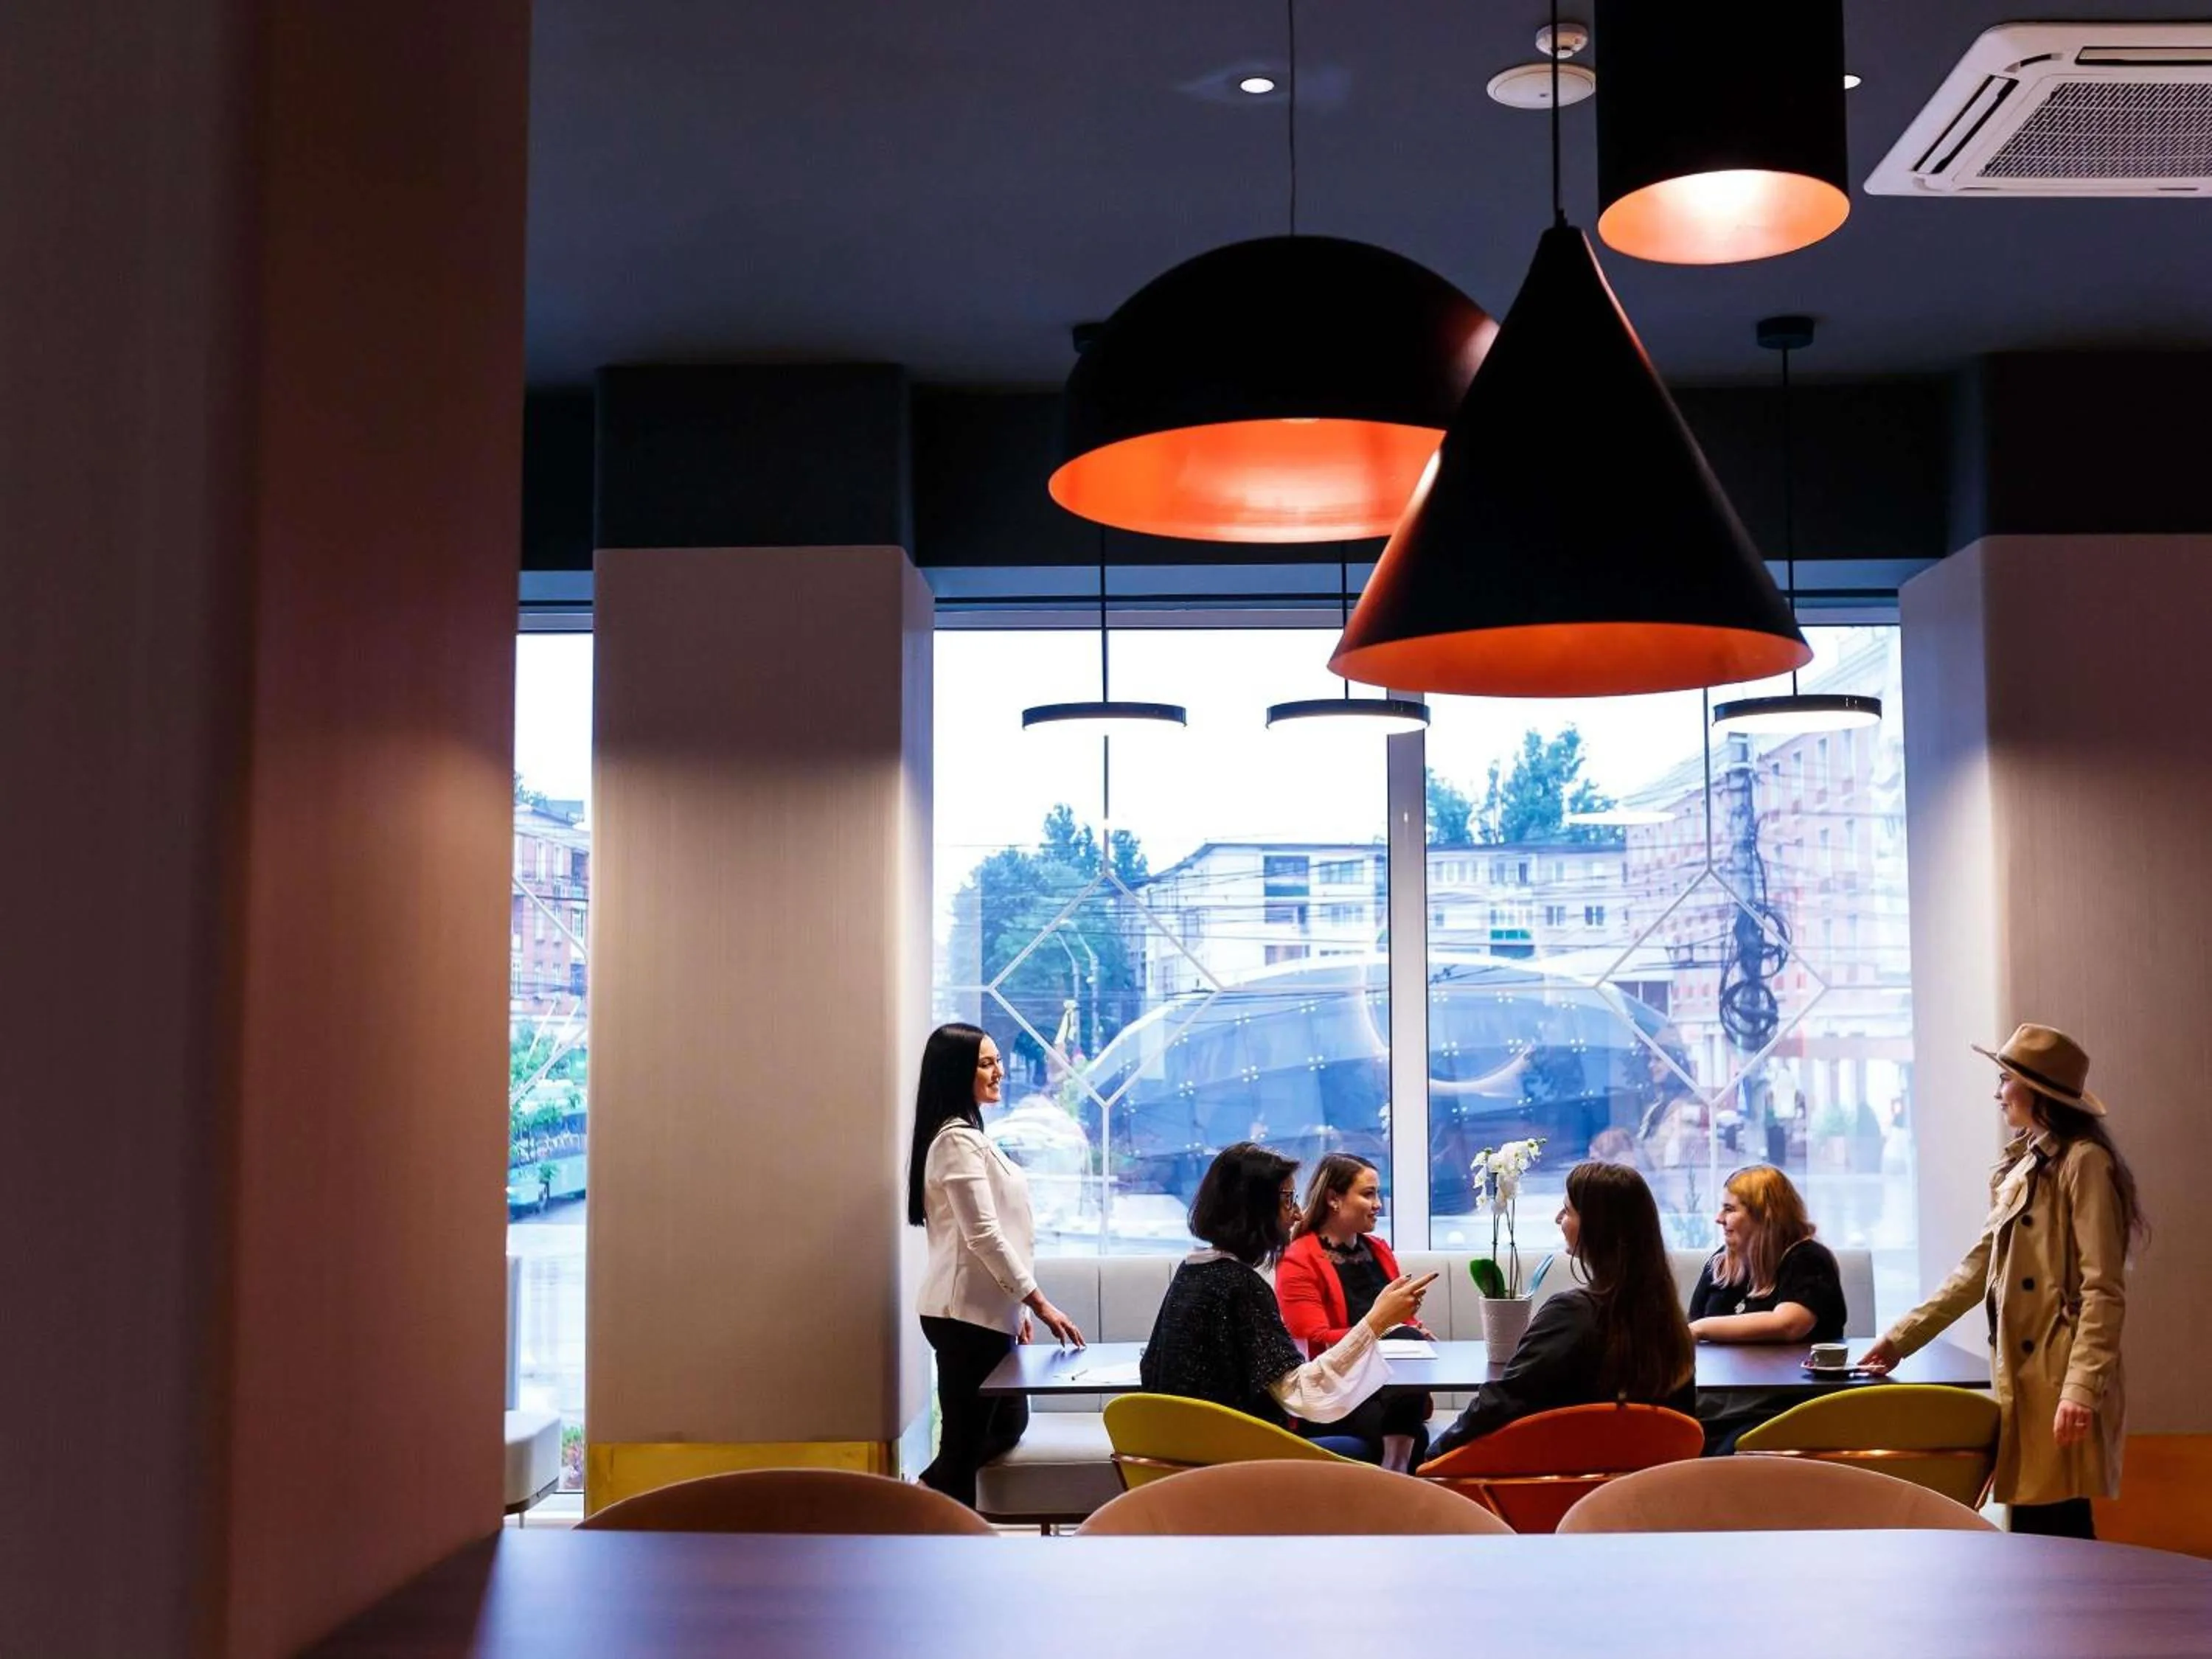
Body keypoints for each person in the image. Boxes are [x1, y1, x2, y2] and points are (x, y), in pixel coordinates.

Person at [1860, 1024, 2142, 1540]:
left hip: (2058, 1378)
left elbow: (2103, 1290)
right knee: (2041, 1528)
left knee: (2055, 1529)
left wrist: (2080, 1388)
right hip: (2026, 1375)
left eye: (2005, 1079)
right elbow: (1977, 1269)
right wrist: (1901, 1338)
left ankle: (2075, 1622)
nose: (1998, 1093)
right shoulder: (2025, 1165)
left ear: (2038, 1092)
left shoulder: (2085, 1165)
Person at [1141, 1142, 1432, 1453]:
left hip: (1187, 1460)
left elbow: (1150, 1370)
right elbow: (1302, 1393)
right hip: (1239, 1464)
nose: (1297, 1213)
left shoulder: (1191, 1273)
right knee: (1382, 1447)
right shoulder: (1241, 1285)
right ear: (1256, 1206)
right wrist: (1376, 1323)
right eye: (1288, 1199)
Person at [908, 1022, 1086, 1508]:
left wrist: (1018, 1309)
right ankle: (937, 1524)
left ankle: (922, 1495)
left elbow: (1002, 1234)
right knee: (965, 1447)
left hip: (985, 1315)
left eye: (996, 1060)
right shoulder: (954, 1142)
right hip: (962, 1315)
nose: (1000, 1071)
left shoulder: (971, 1138)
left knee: (1007, 1426)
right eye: (985, 1063)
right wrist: (1040, 1303)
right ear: (956, 1072)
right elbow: (984, 1235)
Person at [1425, 1161, 1694, 1461]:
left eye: (1567, 1211)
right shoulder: (1671, 1327)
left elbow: (1500, 1403)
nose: (1557, 1219)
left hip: (1548, 1490)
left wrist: (1431, 1457)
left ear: (1596, 1226)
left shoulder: (1570, 1316)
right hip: (1641, 1492)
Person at [1276, 1152, 1433, 1470]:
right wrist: (1388, 1331)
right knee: (1416, 1438)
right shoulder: (1298, 1260)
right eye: (1368, 1194)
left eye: (1378, 1193)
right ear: (1334, 1199)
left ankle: (1394, 1473)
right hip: (1335, 1392)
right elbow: (1314, 1341)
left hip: (1386, 1387)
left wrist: (1415, 1329)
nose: (1378, 1204)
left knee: (1408, 1344)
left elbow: (1402, 1317)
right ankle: (1397, 1473)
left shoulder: (1378, 1249)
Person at [1686, 1163, 1849, 1453]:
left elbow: (1789, 1323)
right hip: (1720, 1403)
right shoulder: (1722, 1265)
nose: (1718, 1219)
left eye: (1730, 1209)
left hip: (1786, 1408)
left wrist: (1701, 1329)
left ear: (1765, 1216)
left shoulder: (1807, 1259)